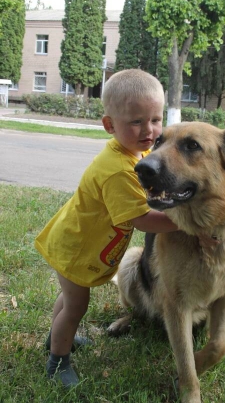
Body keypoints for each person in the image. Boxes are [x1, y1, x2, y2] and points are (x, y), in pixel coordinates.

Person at [35, 69, 178, 388]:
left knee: (69, 301)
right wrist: (182, 220)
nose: (149, 130)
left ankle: (58, 337)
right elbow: (141, 219)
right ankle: (58, 360)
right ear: (110, 125)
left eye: (156, 119)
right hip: (75, 248)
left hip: (74, 240)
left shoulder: (133, 154)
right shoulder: (118, 171)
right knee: (76, 306)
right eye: (136, 121)